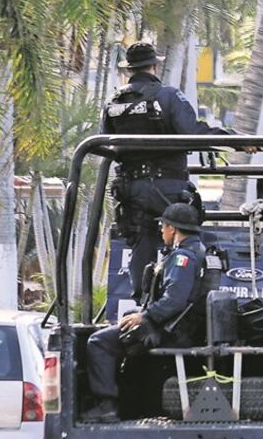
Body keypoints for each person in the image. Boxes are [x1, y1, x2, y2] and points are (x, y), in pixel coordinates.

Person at [103, 41, 242, 301]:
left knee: (142, 245)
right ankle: (185, 299)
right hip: (167, 187)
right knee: (188, 239)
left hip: (130, 190)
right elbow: (194, 133)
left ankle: (143, 301)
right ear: (155, 65)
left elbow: (106, 144)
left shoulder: (113, 103)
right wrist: (235, 140)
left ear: (129, 70)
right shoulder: (167, 96)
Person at [83, 204, 208, 423]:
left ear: (173, 229)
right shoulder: (197, 250)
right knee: (127, 322)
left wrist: (146, 316)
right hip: (180, 327)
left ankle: (106, 406)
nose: (161, 231)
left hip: (170, 331)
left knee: (99, 342)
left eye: (163, 226)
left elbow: (175, 300)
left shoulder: (182, 258)